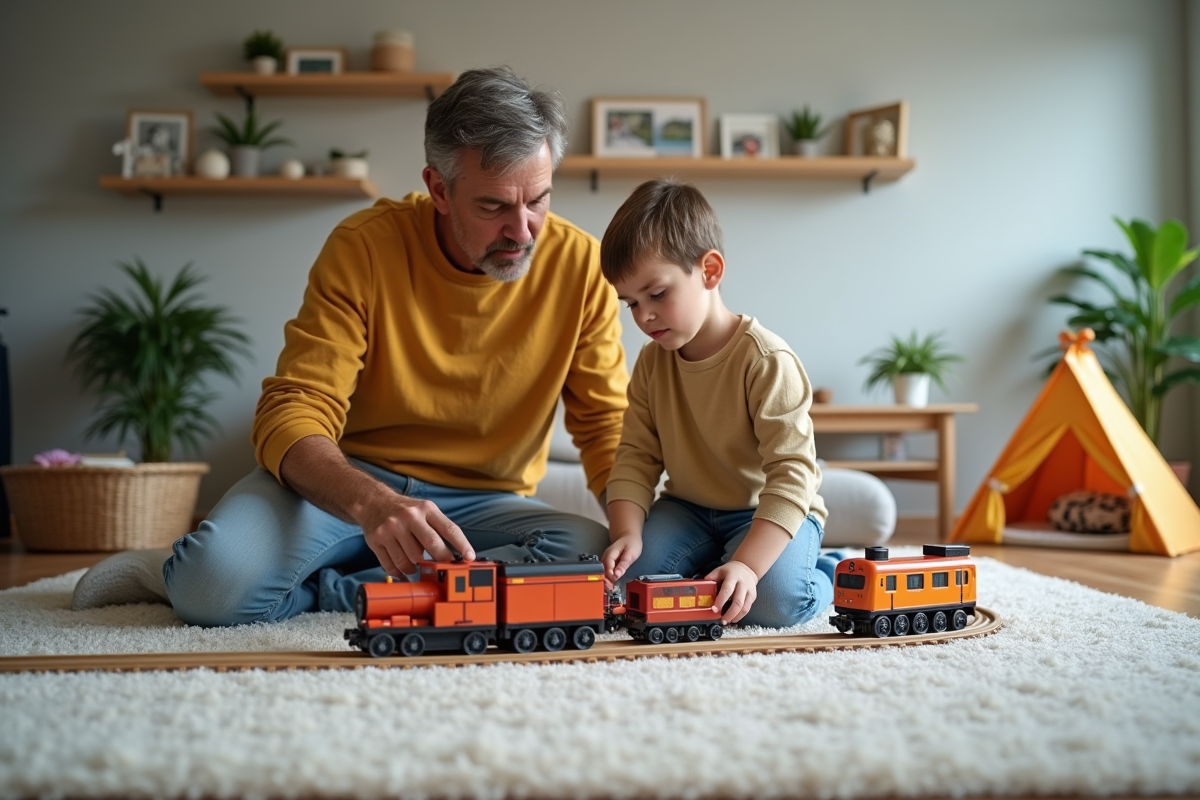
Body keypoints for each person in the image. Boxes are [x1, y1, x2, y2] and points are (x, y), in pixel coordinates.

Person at [73, 66, 629, 625]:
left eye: (538, 200)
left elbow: (607, 427)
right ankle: (172, 570)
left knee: (586, 557)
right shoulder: (364, 246)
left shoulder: (582, 266)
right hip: (350, 484)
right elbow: (294, 407)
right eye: (493, 207)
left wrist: (635, 532)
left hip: (484, 501)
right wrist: (372, 503)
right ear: (439, 188)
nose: (523, 231)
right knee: (211, 589)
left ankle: (342, 591)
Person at [599, 178, 837, 628]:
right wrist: (627, 532)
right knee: (634, 593)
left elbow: (792, 475)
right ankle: (716, 566)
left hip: (764, 511)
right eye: (630, 302)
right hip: (687, 509)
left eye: (656, 294)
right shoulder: (651, 364)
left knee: (770, 603)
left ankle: (826, 571)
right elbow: (635, 458)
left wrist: (748, 565)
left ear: (709, 271)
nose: (642, 316)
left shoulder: (766, 360)